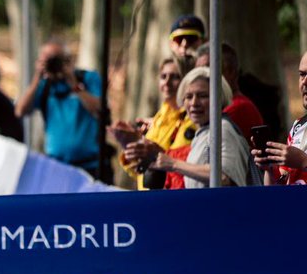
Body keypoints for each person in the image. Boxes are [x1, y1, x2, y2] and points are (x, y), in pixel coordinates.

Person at [126, 66, 251, 188]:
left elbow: (223, 177)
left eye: (203, 96)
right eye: (189, 97)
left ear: (219, 98)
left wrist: (174, 164)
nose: (194, 103)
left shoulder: (223, 129)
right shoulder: (203, 133)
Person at [14, 40, 103, 174]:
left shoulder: (88, 78)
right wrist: (37, 77)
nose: (54, 64)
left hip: (90, 165)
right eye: (48, 60)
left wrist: (74, 84)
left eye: (57, 60)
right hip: (57, 165)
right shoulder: (44, 86)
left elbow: (99, 110)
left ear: (69, 60)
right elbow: (20, 111)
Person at [111, 58, 196, 189]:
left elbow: (185, 164)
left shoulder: (192, 118)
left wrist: (154, 152)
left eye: (175, 77)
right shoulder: (159, 118)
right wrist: (132, 147)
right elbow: (144, 171)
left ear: (186, 82)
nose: (167, 82)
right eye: (163, 76)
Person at [252, 50, 307, 185]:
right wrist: (270, 169)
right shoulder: (298, 126)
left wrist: (303, 161)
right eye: (302, 74)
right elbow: (275, 191)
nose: (304, 82)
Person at [193, 43, 263, 141]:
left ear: (231, 72)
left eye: (208, 70)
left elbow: (204, 145)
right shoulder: (217, 107)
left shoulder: (238, 108)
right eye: (198, 72)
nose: (201, 78)